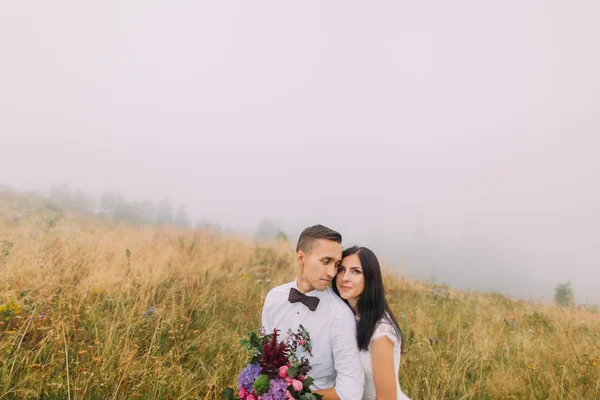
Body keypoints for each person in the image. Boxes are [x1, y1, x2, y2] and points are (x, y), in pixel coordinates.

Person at [262, 225, 364, 400]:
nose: (332, 272)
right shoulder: (274, 299)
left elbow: (351, 392)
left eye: (336, 265)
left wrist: (294, 397)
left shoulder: (340, 315)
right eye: (326, 262)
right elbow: (263, 359)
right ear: (301, 258)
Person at [333, 246, 410, 400]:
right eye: (341, 269)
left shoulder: (380, 329)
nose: (345, 277)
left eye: (356, 271)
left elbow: (387, 398)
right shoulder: (344, 316)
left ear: (370, 278)